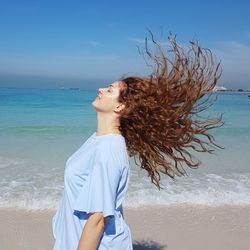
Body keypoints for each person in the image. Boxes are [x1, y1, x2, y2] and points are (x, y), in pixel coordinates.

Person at [52, 32, 224, 249]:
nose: (101, 89)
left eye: (110, 90)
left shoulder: (109, 150)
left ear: (120, 107)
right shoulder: (98, 140)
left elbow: (97, 220)